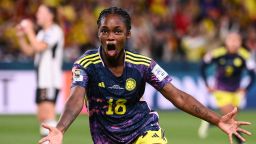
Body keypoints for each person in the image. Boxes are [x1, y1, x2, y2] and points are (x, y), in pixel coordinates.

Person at [39, 7, 251, 144]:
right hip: (106, 139)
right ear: (98, 34)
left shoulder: (143, 65)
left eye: (117, 31)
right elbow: (76, 99)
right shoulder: (87, 63)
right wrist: (60, 129)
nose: (110, 37)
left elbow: (178, 96)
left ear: (128, 34)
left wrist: (217, 120)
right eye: (105, 31)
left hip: (143, 131)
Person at [15, 4, 64, 139]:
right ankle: (48, 141)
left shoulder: (55, 31)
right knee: (42, 117)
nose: (37, 15)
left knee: (48, 116)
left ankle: (52, 141)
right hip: (42, 80)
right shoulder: (43, 32)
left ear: (50, 16)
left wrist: (29, 30)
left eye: (40, 12)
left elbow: (39, 46)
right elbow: (30, 50)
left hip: (50, 80)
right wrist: (20, 37)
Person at [198, 32, 255, 144]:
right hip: (221, 91)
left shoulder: (245, 56)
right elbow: (202, 66)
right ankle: (240, 141)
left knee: (231, 117)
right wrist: (207, 84)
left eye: (236, 41)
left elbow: (253, 75)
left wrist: (245, 89)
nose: (234, 43)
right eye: (231, 40)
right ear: (226, 42)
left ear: (240, 42)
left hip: (236, 92)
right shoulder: (218, 53)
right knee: (232, 120)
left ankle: (210, 122)